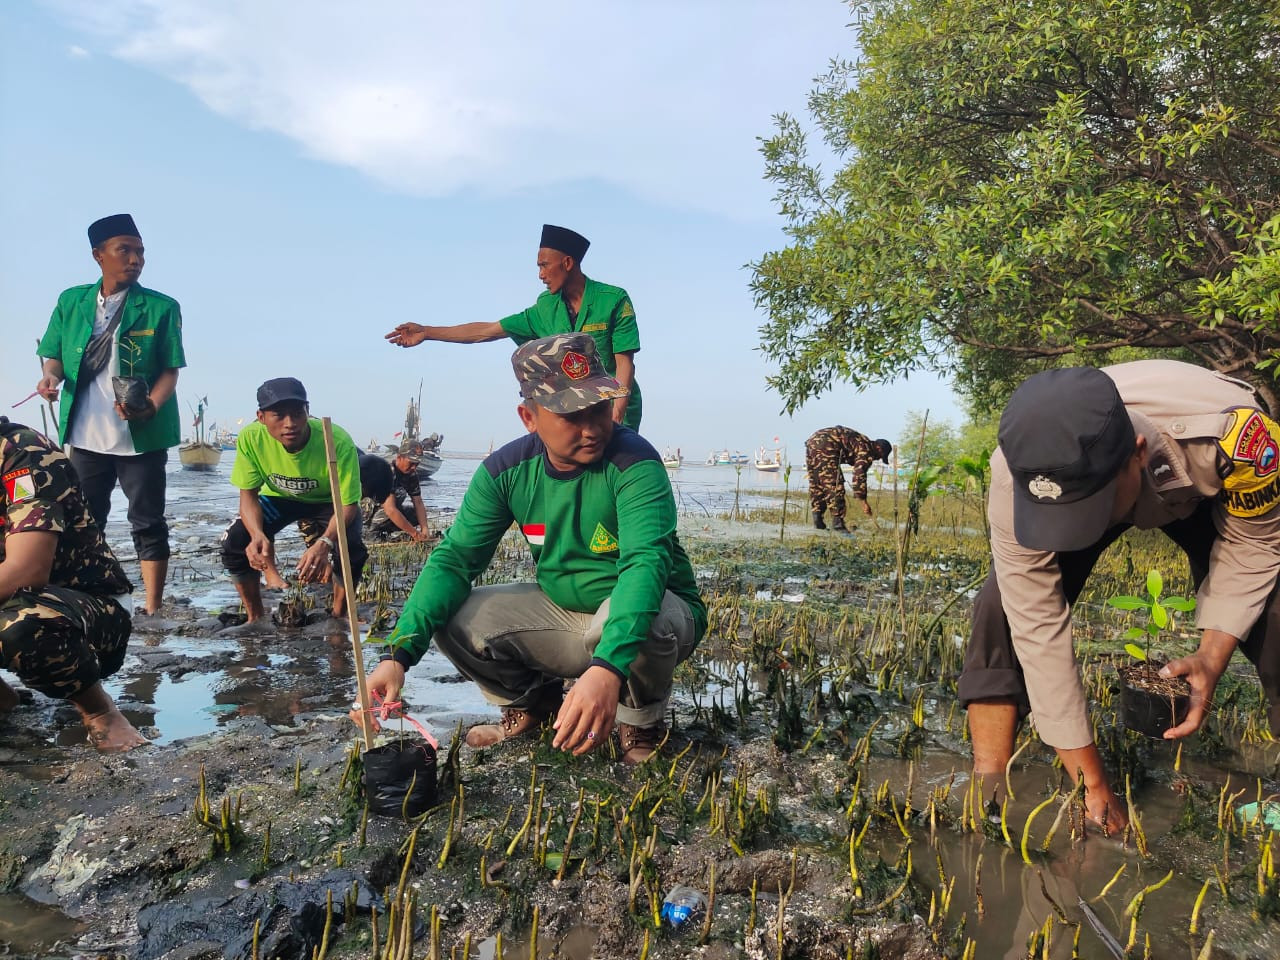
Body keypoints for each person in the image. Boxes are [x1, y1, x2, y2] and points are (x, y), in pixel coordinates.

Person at [960, 360, 1280, 836]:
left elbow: (1253, 545)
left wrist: (1213, 656)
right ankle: (989, 784)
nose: (1073, 532)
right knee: (998, 609)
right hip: (1098, 484)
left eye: (1086, 511)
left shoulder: (1239, 438)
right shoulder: (1016, 473)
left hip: (1200, 483)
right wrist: (1094, 788)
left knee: (1276, 612)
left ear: (1137, 454)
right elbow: (1036, 623)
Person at [358, 333, 705, 764]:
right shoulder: (505, 472)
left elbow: (645, 566)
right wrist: (399, 654)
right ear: (529, 417)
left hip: (658, 614)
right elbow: (454, 560)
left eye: (599, 408)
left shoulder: (635, 463)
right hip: (565, 617)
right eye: (571, 415)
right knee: (455, 615)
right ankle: (532, 708)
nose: (593, 427)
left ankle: (639, 723)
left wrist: (608, 667)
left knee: (626, 619)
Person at [36, 214, 186, 614]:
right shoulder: (72, 301)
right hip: (85, 435)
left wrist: (151, 405)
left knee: (148, 521)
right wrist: (49, 379)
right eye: (125, 250)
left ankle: (152, 608)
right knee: (85, 522)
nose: (135, 259)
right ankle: (86, 597)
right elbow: (52, 356)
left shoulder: (161, 307)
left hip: (141, 436)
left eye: (140, 252)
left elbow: (170, 370)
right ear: (98, 255)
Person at [385, 225, 643, 430]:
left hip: (613, 406)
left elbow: (624, 363)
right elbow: (488, 331)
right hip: (570, 412)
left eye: (544, 265)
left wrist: (617, 416)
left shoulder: (613, 299)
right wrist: (428, 332)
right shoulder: (544, 307)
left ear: (567, 263)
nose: (540, 274)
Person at [0, 416, 145, 752]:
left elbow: (27, 569)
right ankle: (5, 700)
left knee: (20, 623)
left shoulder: (21, 452)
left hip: (88, 613)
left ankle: (100, 710)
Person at [220, 378, 366, 622]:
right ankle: (255, 617)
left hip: (329, 502)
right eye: (279, 415)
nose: (290, 424)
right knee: (235, 540)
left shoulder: (336, 440)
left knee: (350, 546)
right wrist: (257, 534)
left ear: (307, 411)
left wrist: (324, 543)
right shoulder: (250, 438)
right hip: (280, 497)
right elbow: (248, 496)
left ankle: (340, 614)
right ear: (261, 416)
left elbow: (348, 505)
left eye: (298, 414)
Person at [803, 427, 892, 531]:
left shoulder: (861, 441)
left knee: (817, 484)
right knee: (834, 484)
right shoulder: (867, 449)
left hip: (813, 442)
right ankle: (838, 525)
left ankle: (818, 523)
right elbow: (859, 476)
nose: (877, 459)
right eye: (880, 456)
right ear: (879, 449)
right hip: (827, 444)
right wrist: (863, 502)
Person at [358, 446, 431, 541]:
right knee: (387, 512)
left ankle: (387, 531)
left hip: (391, 511)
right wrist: (415, 534)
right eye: (411, 463)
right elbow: (390, 509)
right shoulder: (388, 472)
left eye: (417, 464)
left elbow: (418, 503)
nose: (414, 467)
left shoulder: (411, 474)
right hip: (371, 513)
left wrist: (424, 528)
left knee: (416, 514)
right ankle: (370, 533)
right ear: (399, 458)